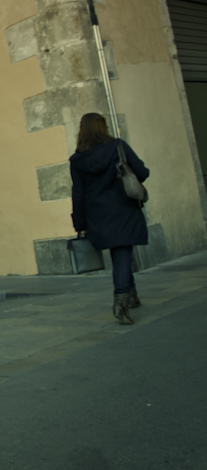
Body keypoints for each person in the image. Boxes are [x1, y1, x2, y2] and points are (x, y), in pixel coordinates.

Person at [69, 113, 149, 324]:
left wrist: (80, 223)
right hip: (123, 208)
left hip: (97, 214)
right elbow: (142, 172)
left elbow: (78, 193)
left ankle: (131, 296)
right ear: (103, 128)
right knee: (122, 251)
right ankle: (120, 302)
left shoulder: (77, 160)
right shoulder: (117, 147)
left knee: (121, 250)